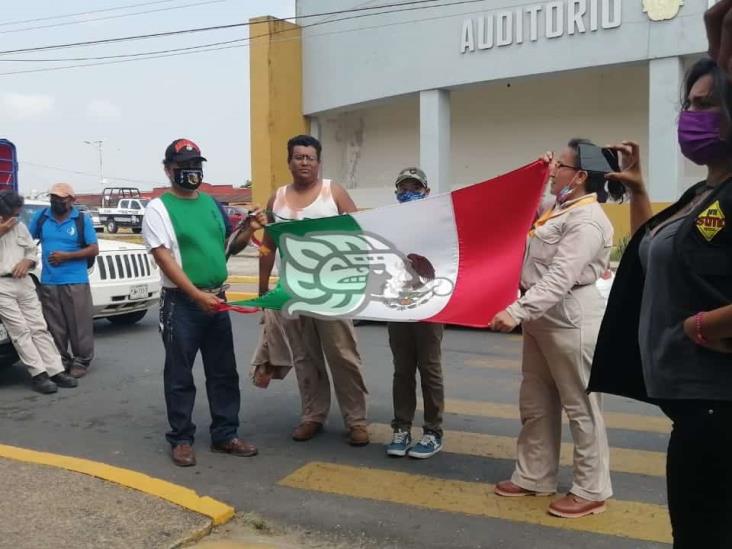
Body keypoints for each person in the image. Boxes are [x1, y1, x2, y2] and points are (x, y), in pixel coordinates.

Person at [589, 59, 732, 548]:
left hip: (719, 408)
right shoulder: (702, 193)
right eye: (690, 104)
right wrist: (640, 192)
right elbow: (657, 256)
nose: (692, 115)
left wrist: (705, 326)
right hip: (693, 407)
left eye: (707, 104)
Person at [490, 138, 624, 519]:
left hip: (569, 316)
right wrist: (536, 173)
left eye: (561, 166)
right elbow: (524, 209)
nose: (555, 171)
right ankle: (534, 475)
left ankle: (591, 489)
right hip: (541, 318)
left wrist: (516, 310)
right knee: (536, 400)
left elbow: (561, 277)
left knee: (580, 406)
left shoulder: (588, 220)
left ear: (580, 176)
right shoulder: (557, 207)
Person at [142, 138, 267, 467]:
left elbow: (229, 247)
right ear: (168, 169)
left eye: (196, 166)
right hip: (182, 303)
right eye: (184, 167)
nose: (191, 172)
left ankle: (225, 434)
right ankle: (181, 438)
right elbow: (164, 259)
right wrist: (196, 295)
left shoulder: (212, 205)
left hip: (217, 298)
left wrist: (248, 229)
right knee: (180, 374)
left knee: (223, 371)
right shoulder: (158, 209)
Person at [259, 134, 370, 446]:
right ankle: (312, 415)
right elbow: (268, 247)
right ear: (289, 161)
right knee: (305, 357)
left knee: (344, 356)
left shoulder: (332, 192)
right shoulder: (277, 198)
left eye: (309, 157)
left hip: (333, 293)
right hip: (293, 293)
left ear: (318, 162)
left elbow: (360, 234)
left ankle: (356, 420)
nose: (304, 162)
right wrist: (263, 290)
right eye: (298, 157)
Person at [384, 168, 446, 459]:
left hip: (429, 304)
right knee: (402, 370)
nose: (409, 192)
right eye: (404, 188)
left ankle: (433, 431)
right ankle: (402, 427)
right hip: (398, 305)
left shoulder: (437, 222)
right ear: (397, 193)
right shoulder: (388, 223)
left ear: (426, 191)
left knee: (430, 369)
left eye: (415, 187)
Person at [0, 191, 79, 394]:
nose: (15, 217)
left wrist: (27, 261)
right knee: (20, 332)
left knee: (39, 327)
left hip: (24, 281)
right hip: (2, 285)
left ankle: (56, 370)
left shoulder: (20, 227)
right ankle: (38, 374)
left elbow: (31, 251)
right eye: (13, 213)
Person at [29, 182, 98, 379]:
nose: (56, 202)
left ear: (71, 200)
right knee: (54, 325)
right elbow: (27, 239)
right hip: (49, 281)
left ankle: (81, 360)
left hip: (75, 280)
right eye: (53, 198)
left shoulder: (81, 220)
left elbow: (93, 249)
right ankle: (60, 360)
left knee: (79, 323)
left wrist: (66, 256)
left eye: (61, 198)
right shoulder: (41, 217)